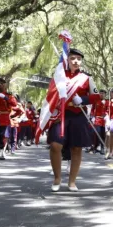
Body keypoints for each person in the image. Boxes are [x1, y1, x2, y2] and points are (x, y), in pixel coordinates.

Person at [45, 48, 100, 191]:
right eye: (73, 58)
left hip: (77, 114)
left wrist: (83, 99)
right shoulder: (59, 76)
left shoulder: (86, 78)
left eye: (79, 59)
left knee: (76, 148)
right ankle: (57, 178)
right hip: (60, 114)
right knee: (55, 145)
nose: (76, 61)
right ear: (67, 60)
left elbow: (96, 97)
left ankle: (72, 181)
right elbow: (50, 94)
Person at [90, 89, 109, 154]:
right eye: (100, 93)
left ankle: (102, 147)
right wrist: (92, 116)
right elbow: (92, 110)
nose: (101, 94)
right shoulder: (96, 101)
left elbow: (108, 110)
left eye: (103, 93)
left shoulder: (107, 102)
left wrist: (106, 114)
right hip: (97, 119)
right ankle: (95, 147)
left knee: (103, 134)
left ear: (105, 94)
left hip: (104, 120)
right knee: (97, 132)